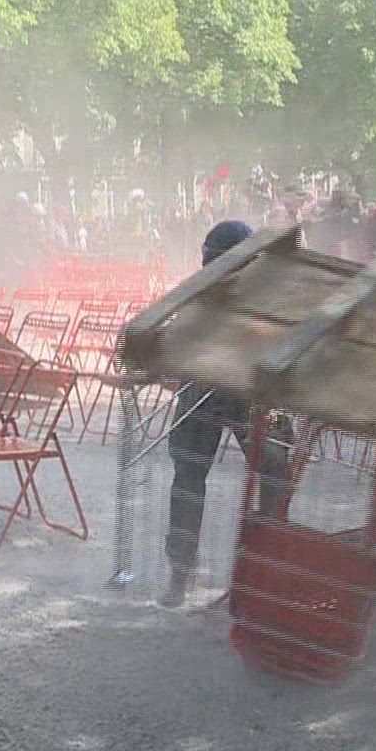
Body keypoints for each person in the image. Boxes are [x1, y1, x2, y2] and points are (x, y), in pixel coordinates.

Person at [163, 220, 294, 609]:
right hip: (204, 388)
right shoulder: (200, 292)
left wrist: (273, 403)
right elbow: (178, 340)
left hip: (251, 393)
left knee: (275, 471)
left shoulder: (267, 296)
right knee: (188, 476)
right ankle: (180, 570)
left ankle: (264, 566)